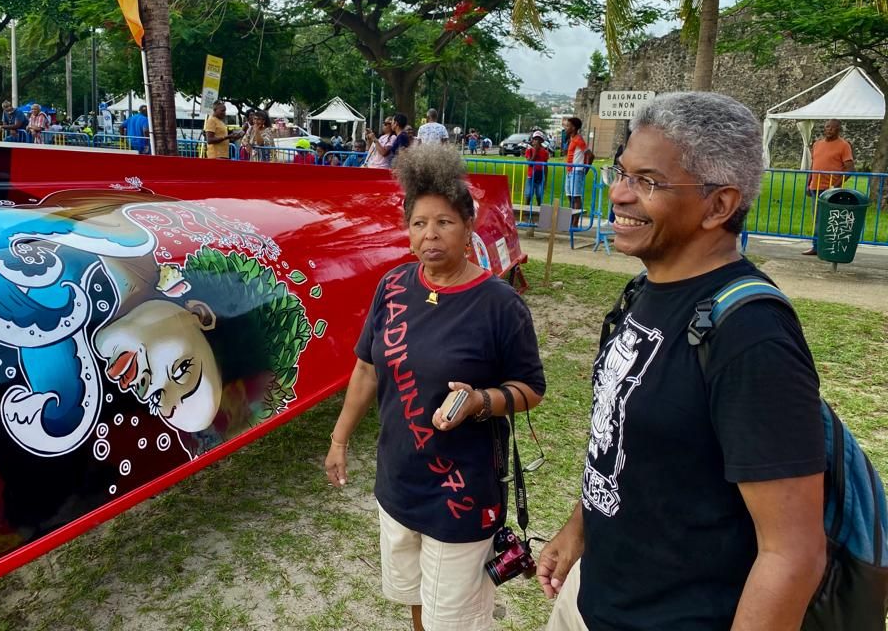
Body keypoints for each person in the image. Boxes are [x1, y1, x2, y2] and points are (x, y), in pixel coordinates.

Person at [537, 92, 826, 631]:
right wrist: (577, 530)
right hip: (593, 598)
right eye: (619, 173)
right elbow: (618, 439)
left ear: (718, 206)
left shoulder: (751, 337)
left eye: (647, 182)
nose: (619, 195)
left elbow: (793, 555)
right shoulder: (642, 292)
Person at [326, 143, 545, 631]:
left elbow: (531, 388)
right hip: (399, 482)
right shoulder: (394, 285)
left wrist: (478, 401)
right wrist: (340, 439)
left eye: (444, 222)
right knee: (417, 602)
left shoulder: (499, 305)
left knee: (456, 619)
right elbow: (366, 369)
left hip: (461, 493)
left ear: (469, 228)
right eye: (420, 222)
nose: (430, 234)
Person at [803, 118, 855, 255]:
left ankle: (829, 247)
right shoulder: (817, 144)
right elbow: (813, 165)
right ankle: (816, 246)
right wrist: (808, 184)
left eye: (832, 127)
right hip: (816, 187)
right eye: (826, 127)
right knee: (817, 217)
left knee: (830, 219)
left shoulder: (844, 145)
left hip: (831, 189)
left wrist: (834, 186)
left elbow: (850, 169)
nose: (828, 129)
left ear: (838, 129)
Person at [564, 118, 588, 227]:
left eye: (568, 126)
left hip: (576, 171)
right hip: (569, 171)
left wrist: (585, 168)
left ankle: (575, 223)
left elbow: (590, 154)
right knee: (570, 196)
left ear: (573, 128)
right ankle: (570, 220)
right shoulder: (571, 138)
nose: (566, 128)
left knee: (576, 197)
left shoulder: (579, 139)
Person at [524, 130, 550, 207]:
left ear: (541, 141)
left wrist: (546, 179)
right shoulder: (529, 150)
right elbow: (530, 163)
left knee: (539, 195)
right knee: (528, 194)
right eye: (535, 139)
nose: (536, 142)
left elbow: (545, 166)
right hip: (530, 176)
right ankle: (527, 211)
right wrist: (535, 152)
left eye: (538, 140)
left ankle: (539, 210)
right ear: (532, 140)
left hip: (540, 176)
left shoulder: (545, 152)